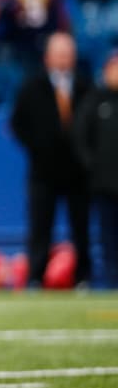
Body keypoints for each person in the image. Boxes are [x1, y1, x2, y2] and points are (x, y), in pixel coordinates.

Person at [11, 32, 93, 288]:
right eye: (59, 54)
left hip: (77, 170)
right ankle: (36, 276)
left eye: (68, 54)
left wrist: (86, 155)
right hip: (43, 170)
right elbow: (18, 124)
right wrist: (38, 147)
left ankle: (83, 277)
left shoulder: (84, 86)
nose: (63, 59)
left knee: (80, 226)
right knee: (40, 226)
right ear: (47, 57)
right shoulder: (32, 87)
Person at [75, 50, 118, 289]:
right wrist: (93, 166)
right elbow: (81, 137)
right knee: (107, 235)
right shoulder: (95, 100)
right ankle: (112, 280)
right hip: (103, 182)